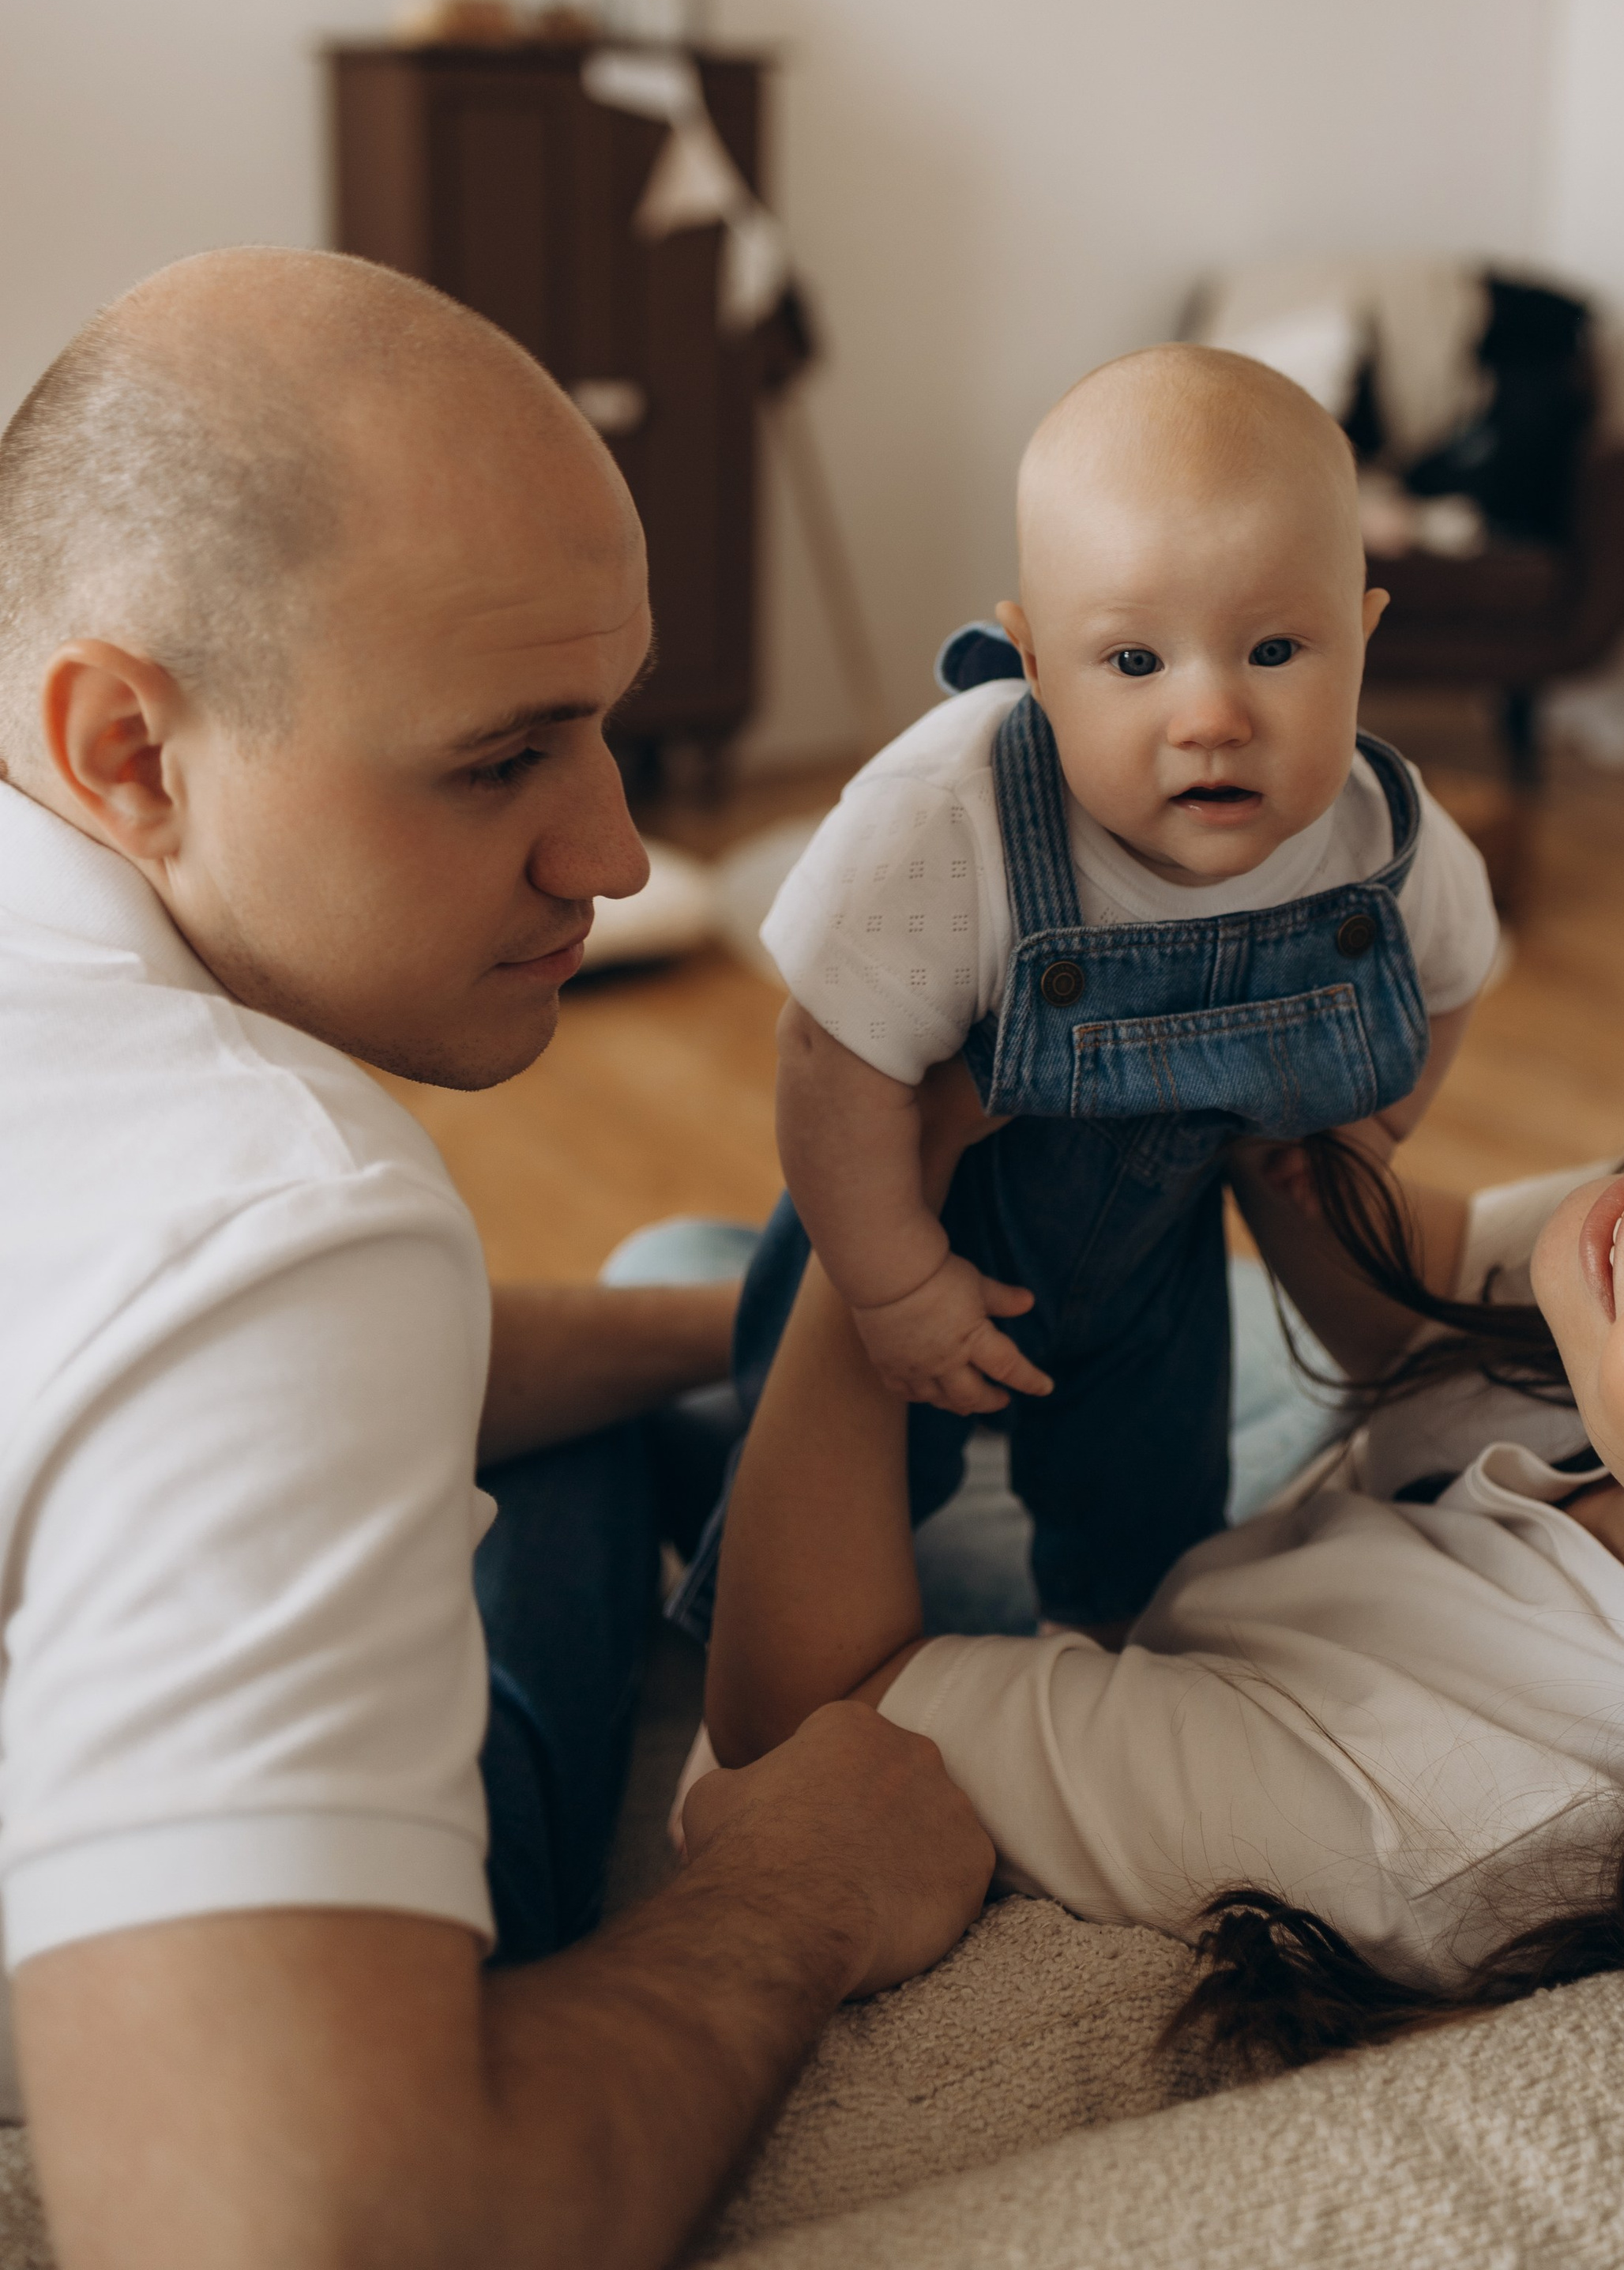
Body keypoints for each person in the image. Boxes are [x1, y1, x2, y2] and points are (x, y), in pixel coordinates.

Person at [0, 250, 992, 2270]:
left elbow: (127, 1350)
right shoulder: (269, 1207)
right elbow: (312, 2234)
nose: (619, 855)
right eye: (498, 758)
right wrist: (791, 1893)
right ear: (127, 748)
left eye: (606, 729)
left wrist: (750, 1322)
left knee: (642, 1342)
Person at [705, 1059, 1624, 2102]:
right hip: (1302, 1494)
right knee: (708, 1301)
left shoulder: (1441, 1828)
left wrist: (876, 1213)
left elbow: (810, 1709)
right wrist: (1259, 1050)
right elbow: (1429, 1315)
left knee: (696, 1311)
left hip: (1163, 1626)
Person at [679, 344, 1498, 1642]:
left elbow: (1454, 976)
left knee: (1154, 1508)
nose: (1215, 714)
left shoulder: (1374, 832)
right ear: (1034, 661)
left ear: (1366, 633)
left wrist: (1377, 1122)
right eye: (1134, 664)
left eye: (1278, 647)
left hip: (1155, 1268)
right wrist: (893, 1287)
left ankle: (1110, 1671)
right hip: (919, 1216)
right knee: (839, 1486)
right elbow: (830, 1063)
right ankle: (739, 1634)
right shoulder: (950, 816)